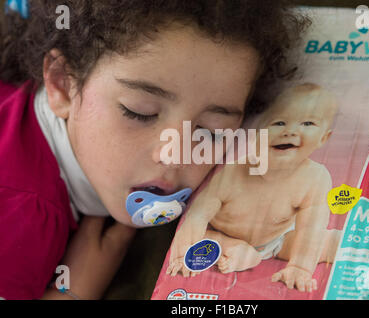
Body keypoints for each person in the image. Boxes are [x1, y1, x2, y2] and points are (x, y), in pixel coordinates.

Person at [0, 0, 310, 299]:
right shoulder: (24, 216)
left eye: (211, 131)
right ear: (62, 84)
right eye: (140, 112)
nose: (175, 153)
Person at [167, 83, 341, 293]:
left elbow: (310, 227)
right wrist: (182, 253)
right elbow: (197, 216)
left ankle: (249, 255)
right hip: (223, 235)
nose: (290, 131)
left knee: (337, 241)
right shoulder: (232, 173)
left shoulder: (316, 177)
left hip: (278, 240)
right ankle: (238, 252)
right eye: (278, 122)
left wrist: (300, 267)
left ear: (324, 138)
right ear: (253, 133)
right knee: (207, 239)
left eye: (307, 123)